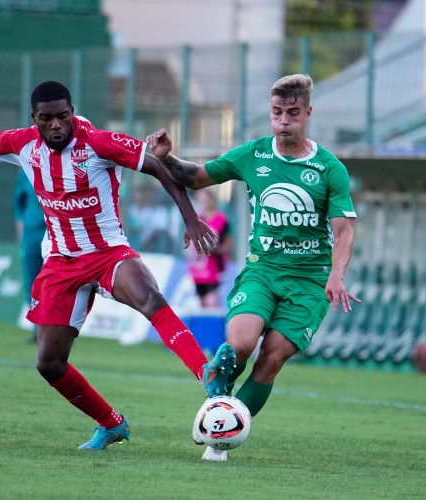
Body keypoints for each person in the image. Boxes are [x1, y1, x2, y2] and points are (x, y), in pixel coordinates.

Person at [0, 81, 234, 451]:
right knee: (49, 363)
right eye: (46, 119)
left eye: (62, 116)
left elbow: (160, 170)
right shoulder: (21, 143)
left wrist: (191, 219)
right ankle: (111, 424)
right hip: (62, 261)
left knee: (150, 298)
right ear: (34, 119)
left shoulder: (99, 142)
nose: (56, 126)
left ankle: (206, 373)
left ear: (71, 112)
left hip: (107, 251)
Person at [147, 74, 359, 461]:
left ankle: (219, 438)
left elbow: (345, 230)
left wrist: (336, 273)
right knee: (240, 345)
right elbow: (195, 177)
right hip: (262, 270)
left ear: (307, 113)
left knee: (272, 357)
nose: (283, 121)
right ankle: (219, 380)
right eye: (277, 113)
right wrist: (165, 157)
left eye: (292, 113)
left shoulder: (330, 169)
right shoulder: (254, 154)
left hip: (309, 281)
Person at [12, 168, 47, 342]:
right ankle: (37, 329)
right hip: (32, 232)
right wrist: (20, 228)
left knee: (56, 281)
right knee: (33, 282)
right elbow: (18, 202)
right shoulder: (26, 169)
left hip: (57, 232)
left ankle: (57, 330)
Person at [185, 188, 232, 307]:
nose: (203, 203)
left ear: (212, 200)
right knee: (200, 305)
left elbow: (229, 245)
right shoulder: (197, 220)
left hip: (214, 269)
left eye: (206, 200)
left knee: (211, 304)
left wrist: (214, 249)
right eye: (200, 200)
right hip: (198, 269)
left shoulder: (221, 220)